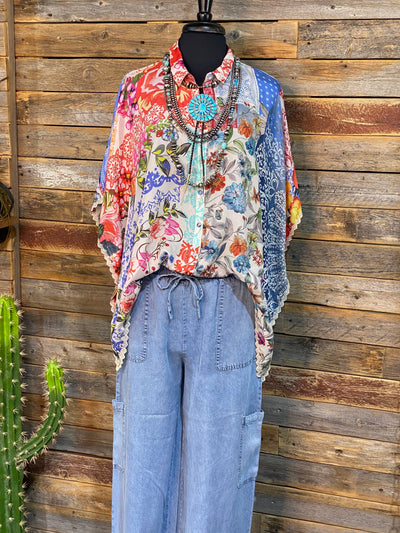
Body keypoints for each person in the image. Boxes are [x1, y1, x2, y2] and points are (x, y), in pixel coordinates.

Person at [91, 8, 302, 532]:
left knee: (218, 484)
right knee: (141, 478)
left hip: (230, 306)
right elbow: (113, 203)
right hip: (151, 305)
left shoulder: (262, 94)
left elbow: (279, 208)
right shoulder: (137, 90)